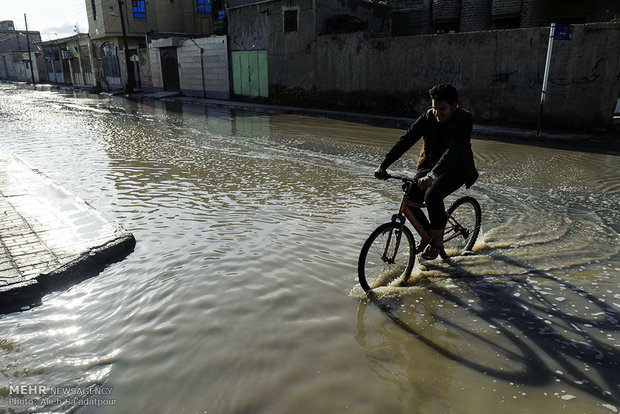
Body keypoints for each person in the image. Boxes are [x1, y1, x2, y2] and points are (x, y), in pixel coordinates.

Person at [374, 84, 478, 260]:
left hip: (457, 167)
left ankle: (437, 242)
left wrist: (432, 176)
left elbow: (453, 151)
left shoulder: (465, 119)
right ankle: (429, 232)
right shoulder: (428, 117)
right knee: (411, 196)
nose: (437, 113)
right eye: (434, 107)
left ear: (454, 106)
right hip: (429, 165)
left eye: (442, 109)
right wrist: (384, 165)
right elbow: (406, 140)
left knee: (432, 195)